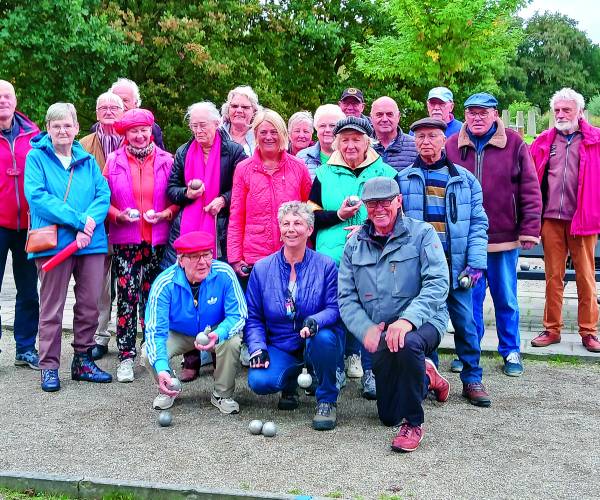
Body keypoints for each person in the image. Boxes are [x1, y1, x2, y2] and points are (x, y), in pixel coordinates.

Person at [338, 177, 450, 453]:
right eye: (372, 203)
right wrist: (366, 329)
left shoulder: (422, 234)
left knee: (407, 343)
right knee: (387, 415)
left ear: (398, 201)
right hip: (381, 328)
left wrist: (407, 320)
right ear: (365, 206)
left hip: (425, 320)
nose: (379, 209)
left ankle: (413, 423)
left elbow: (438, 282)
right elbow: (346, 297)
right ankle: (427, 376)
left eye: (385, 202)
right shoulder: (354, 245)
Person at [445, 93, 542, 377]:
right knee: (468, 300)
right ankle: (468, 352)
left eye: (483, 112)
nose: (476, 117)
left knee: (506, 298)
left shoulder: (514, 144)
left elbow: (530, 189)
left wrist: (529, 229)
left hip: (503, 239)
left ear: (495, 114)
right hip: (465, 243)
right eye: (471, 112)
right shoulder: (452, 146)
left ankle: (511, 350)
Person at [397, 118, 491, 407]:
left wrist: (475, 264)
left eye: (432, 136)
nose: (426, 141)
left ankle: (472, 377)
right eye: (420, 136)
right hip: (419, 271)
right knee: (424, 327)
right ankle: (428, 376)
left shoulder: (465, 180)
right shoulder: (402, 179)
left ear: (443, 140)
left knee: (465, 324)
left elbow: (478, 224)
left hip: (456, 266)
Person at [24, 102, 111, 392]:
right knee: (52, 307)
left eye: (68, 125)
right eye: (56, 125)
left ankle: (83, 360)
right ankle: (49, 366)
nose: (63, 130)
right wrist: (79, 221)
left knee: (89, 306)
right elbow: (37, 197)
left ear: (76, 128)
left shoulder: (86, 160)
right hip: (54, 243)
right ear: (48, 129)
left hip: (91, 243)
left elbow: (103, 194)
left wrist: (90, 224)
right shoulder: (36, 158)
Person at [308, 116, 397, 397]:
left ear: (367, 142)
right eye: (344, 139)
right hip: (332, 258)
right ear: (336, 143)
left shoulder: (386, 173)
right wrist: (338, 215)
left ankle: (373, 371)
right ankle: (334, 366)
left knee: (374, 313)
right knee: (334, 313)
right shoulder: (323, 174)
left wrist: (368, 227)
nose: (349, 145)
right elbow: (311, 217)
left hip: (374, 254)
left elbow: (398, 216)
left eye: (356, 139)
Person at [163, 101, 246, 381]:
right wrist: (188, 192)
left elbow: (242, 188)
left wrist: (223, 199)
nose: (199, 130)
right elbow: (171, 190)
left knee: (214, 290)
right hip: (187, 229)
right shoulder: (184, 152)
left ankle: (217, 352)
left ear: (216, 124)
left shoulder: (234, 151)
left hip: (219, 229)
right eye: (194, 126)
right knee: (188, 288)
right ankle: (192, 358)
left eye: (203, 125)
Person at [246, 202, 343, 430]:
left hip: (315, 340)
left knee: (323, 339)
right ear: (280, 229)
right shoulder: (261, 268)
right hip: (280, 344)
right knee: (259, 381)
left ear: (309, 230)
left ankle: (327, 399)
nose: (291, 229)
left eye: (298, 223)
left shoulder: (326, 265)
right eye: (286, 223)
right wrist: (257, 347)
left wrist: (315, 321)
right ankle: (289, 383)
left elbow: (335, 307)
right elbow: (253, 317)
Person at [101, 108, 178, 382]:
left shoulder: (168, 161)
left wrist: (166, 214)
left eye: (144, 130)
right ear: (125, 134)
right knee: (127, 297)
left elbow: (176, 197)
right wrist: (117, 215)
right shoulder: (114, 161)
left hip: (157, 239)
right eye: (133, 131)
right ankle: (125, 356)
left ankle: (152, 349)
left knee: (154, 297)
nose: (140, 135)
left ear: (151, 131)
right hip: (126, 239)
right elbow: (102, 198)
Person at [142, 231, 247, 414]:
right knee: (147, 351)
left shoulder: (224, 273)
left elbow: (238, 315)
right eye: (195, 257)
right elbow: (154, 331)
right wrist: (161, 367)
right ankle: (167, 386)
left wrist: (220, 333)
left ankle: (222, 393)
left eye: (206, 255)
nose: (203, 262)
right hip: (178, 333)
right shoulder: (164, 283)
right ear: (180, 260)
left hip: (213, 330)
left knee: (232, 341)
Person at [529, 88, 600, 353]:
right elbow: (531, 179)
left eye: (566, 110)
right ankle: (552, 329)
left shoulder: (595, 141)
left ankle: (589, 332)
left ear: (580, 112)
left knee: (585, 277)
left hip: (583, 220)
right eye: (557, 110)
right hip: (551, 220)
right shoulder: (544, 141)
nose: (560, 115)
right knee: (553, 277)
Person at [228, 109, 312, 279]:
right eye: (263, 132)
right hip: (255, 256)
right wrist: (235, 258)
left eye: (274, 132)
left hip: (293, 252)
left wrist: (308, 249)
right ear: (255, 135)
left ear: (282, 134)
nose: (269, 137)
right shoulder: (243, 168)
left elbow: (309, 210)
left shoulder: (298, 167)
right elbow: (236, 215)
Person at [80, 91, 124, 360]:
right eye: (103, 107)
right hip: (98, 225)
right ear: (96, 113)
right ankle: (100, 336)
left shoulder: (134, 140)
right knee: (100, 285)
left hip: (129, 223)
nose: (108, 111)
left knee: (131, 283)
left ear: (123, 111)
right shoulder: (83, 145)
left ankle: (131, 336)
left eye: (114, 107)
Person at [0, 80, 40, 369]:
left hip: (28, 224)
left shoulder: (34, 134)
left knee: (28, 288)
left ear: (15, 100)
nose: (2, 101)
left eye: (7, 96)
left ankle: (25, 347)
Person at [109, 78, 165, 150]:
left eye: (125, 100)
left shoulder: (151, 127)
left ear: (135, 103)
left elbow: (161, 157)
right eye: (117, 100)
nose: (121, 105)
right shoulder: (99, 129)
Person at [297, 104, 345, 180]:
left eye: (332, 126)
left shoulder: (349, 156)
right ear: (316, 128)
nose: (327, 130)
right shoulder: (302, 157)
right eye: (322, 126)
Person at [371, 96, 417, 172]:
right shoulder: (363, 148)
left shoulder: (415, 147)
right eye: (379, 115)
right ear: (371, 117)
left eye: (389, 114)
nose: (385, 119)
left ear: (398, 117)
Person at [220, 85, 261, 155]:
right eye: (234, 106)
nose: (239, 110)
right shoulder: (217, 134)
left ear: (254, 111)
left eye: (245, 107)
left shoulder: (261, 136)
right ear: (228, 109)